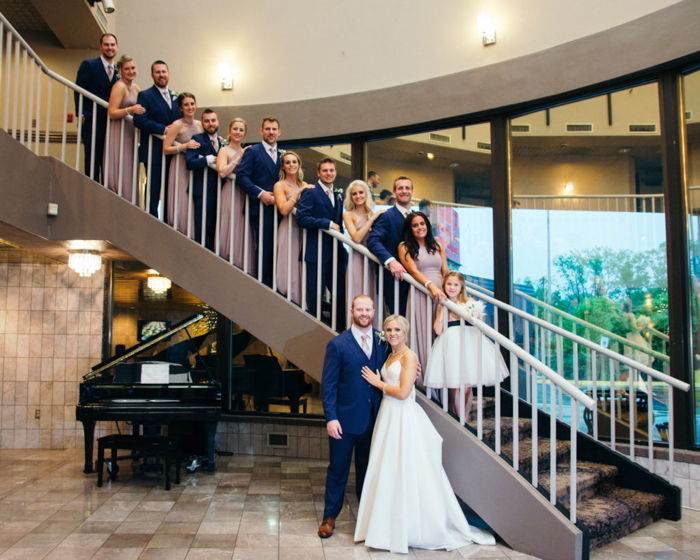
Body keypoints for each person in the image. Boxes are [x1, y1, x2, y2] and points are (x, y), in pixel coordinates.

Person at [356, 314, 496, 554]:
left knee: (404, 468)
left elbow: (402, 392)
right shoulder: (390, 355)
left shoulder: (410, 357)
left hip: (402, 417)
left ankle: (410, 528)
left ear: (405, 332)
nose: (392, 334)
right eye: (389, 330)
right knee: (387, 468)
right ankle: (384, 527)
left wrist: (378, 383)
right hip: (387, 416)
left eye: (397, 330)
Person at [318, 295, 388, 539]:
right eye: (360, 309)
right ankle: (329, 516)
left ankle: (367, 518)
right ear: (352, 311)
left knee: (367, 470)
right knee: (338, 470)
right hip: (344, 422)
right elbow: (328, 385)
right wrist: (331, 418)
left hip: (375, 420)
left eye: (368, 309)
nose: (364, 313)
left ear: (374, 311)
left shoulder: (382, 340)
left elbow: (396, 363)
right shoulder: (338, 344)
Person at [424, 271, 510, 418]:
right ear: (444, 285)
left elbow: (479, 326)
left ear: (461, 286)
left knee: (467, 387)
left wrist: (476, 317)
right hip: (451, 344)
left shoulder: (470, 303)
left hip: (469, 342)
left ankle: (465, 416)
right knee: (455, 386)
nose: (452, 287)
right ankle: (459, 419)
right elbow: (438, 330)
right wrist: (444, 309)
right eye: (449, 284)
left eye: (455, 284)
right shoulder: (443, 304)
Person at [296, 158, 348, 329]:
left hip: (336, 253)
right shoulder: (311, 192)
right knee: (315, 294)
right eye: (325, 170)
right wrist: (326, 223)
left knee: (340, 294)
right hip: (316, 251)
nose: (329, 173)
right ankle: (316, 329)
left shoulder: (338, 195)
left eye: (331, 170)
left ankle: (339, 329)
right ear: (318, 173)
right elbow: (302, 218)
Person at [236, 116, 283, 287]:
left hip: (279, 210)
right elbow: (241, 177)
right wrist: (260, 193)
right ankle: (264, 285)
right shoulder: (253, 151)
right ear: (261, 131)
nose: (271, 132)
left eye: (274, 129)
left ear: (279, 132)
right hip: (260, 207)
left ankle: (276, 284)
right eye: (268, 129)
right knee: (263, 246)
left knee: (278, 248)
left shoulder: (283, 155)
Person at [398, 211, 447, 372]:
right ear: (410, 229)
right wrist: (430, 286)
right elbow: (413, 271)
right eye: (415, 225)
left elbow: (445, 270)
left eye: (422, 224)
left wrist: (449, 290)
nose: (419, 227)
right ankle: (423, 380)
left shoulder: (438, 244)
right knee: (423, 335)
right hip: (421, 293)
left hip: (441, 295)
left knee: (441, 335)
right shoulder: (404, 246)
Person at [133, 60, 182, 217]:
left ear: (168, 73)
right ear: (152, 75)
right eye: (158, 72)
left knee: (171, 187)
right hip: (154, 149)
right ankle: (151, 218)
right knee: (154, 187)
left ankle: (168, 220)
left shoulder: (177, 98)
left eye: (164, 71)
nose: (161, 75)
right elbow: (139, 120)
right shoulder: (145, 95)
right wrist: (163, 130)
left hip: (173, 152)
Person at [75, 33, 119, 182]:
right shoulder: (89, 65)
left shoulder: (118, 73)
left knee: (107, 160)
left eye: (112, 45)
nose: (109, 48)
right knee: (92, 160)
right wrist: (81, 113)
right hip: (92, 120)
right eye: (106, 44)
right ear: (101, 47)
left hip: (110, 123)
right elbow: (78, 90)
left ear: (117, 47)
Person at [367, 176, 414, 316]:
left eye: (407, 188)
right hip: (395, 280)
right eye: (400, 188)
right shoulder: (387, 216)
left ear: (412, 191)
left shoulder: (417, 217)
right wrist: (391, 261)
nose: (404, 191)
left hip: (416, 278)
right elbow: (373, 241)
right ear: (394, 192)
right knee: (398, 319)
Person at [103, 54, 145, 202]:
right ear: (120, 70)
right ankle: (118, 195)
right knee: (121, 163)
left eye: (133, 68)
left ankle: (130, 198)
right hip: (119, 130)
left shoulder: (136, 87)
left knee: (130, 167)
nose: (131, 71)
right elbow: (112, 112)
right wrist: (130, 110)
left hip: (131, 131)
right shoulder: (119, 86)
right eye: (127, 69)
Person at [273, 151, 312, 304]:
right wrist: (298, 194)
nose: (291, 165)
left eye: (294, 162)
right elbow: (283, 209)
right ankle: (287, 293)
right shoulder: (280, 185)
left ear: (299, 164)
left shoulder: (305, 185)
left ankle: (303, 299)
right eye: (288, 162)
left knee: (301, 263)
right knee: (288, 260)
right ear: (283, 166)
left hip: (304, 230)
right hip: (289, 228)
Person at [162, 93, 202, 235]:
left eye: (192, 103)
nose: (190, 107)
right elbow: (166, 149)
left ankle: (191, 232)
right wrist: (184, 146)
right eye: (186, 104)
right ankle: (179, 229)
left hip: (195, 167)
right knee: (181, 198)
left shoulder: (200, 125)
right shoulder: (177, 125)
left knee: (193, 199)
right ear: (181, 108)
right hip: (179, 165)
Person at [216, 118, 252, 267]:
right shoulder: (224, 150)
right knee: (230, 221)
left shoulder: (248, 151)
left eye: (241, 130)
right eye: (235, 129)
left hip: (245, 192)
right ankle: (226, 256)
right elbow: (222, 172)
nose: (238, 132)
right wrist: (239, 157)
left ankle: (241, 261)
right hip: (231, 191)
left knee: (244, 225)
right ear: (230, 131)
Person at [186, 108, 223, 249]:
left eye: (213, 120)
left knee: (216, 229)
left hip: (218, 192)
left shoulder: (222, 142)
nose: (210, 124)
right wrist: (208, 159)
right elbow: (190, 162)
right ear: (202, 123)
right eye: (207, 121)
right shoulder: (197, 139)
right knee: (202, 229)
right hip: (202, 190)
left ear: (218, 122)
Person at [342, 180, 383, 304]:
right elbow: (356, 238)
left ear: (366, 194)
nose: (358, 196)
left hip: (374, 259)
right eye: (354, 194)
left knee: (374, 295)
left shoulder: (373, 212)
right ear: (350, 197)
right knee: (358, 292)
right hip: (358, 259)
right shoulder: (348, 215)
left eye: (361, 193)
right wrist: (371, 220)